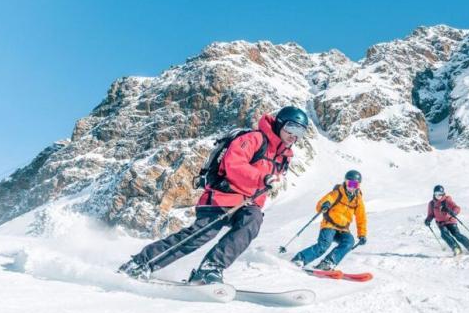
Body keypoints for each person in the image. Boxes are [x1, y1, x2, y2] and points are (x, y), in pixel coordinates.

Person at [118, 106, 309, 284]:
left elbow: (265, 184)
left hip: (247, 203)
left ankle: (210, 268)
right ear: (279, 123)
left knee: (253, 221)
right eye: (291, 128)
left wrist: (267, 185)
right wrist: (263, 177)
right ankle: (141, 263)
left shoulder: (284, 156)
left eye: (300, 131)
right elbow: (234, 165)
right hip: (222, 196)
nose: (294, 135)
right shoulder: (254, 139)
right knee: (200, 235)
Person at [291, 170, 368, 270]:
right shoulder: (337, 193)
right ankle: (300, 259)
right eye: (350, 184)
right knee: (323, 246)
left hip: (343, 229)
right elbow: (325, 201)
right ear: (345, 182)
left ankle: (328, 262)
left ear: (358, 186)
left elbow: (361, 218)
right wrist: (325, 205)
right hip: (329, 225)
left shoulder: (358, 200)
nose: (352, 187)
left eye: (355, 185)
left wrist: (362, 234)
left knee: (349, 241)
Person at [424, 185, 469, 255]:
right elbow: (431, 214)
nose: (438, 195)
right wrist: (428, 220)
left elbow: (457, 208)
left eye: (440, 194)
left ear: (443, 193)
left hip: (450, 221)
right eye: (436, 193)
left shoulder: (447, 200)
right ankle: (456, 248)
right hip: (441, 223)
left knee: (456, 234)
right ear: (434, 194)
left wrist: (452, 212)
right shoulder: (432, 203)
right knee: (444, 234)